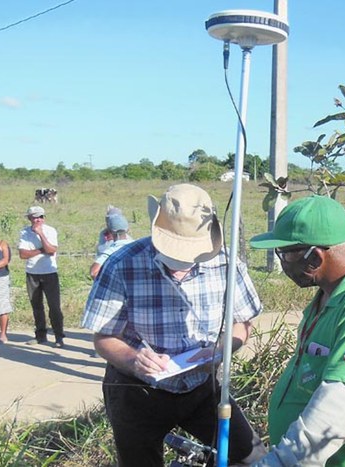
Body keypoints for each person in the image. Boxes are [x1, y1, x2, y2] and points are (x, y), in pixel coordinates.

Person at [82, 183, 265, 466]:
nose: (183, 262)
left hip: (203, 386)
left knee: (251, 457)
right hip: (136, 391)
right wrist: (134, 360)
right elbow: (104, 337)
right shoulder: (122, 265)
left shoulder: (228, 264)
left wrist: (221, 349)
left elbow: (242, 323)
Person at [249, 195, 345, 466]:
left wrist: (278, 463)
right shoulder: (328, 296)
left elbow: (341, 405)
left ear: (314, 257)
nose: (282, 263)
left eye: (284, 253)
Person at [17, 206, 65, 348]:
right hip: (32, 272)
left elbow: (51, 250)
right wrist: (41, 250)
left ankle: (58, 336)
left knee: (54, 306)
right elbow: (22, 254)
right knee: (36, 306)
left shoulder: (50, 231)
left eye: (40, 217)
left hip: (49, 272)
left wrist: (41, 235)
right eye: (35, 217)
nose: (38, 220)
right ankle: (40, 335)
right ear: (29, 218)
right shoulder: (24, 232)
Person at [90, 208, 134, 280]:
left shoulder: (111, 251)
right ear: (128, 229)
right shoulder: (138, 246)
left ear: (110, 230)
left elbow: (94, 272)